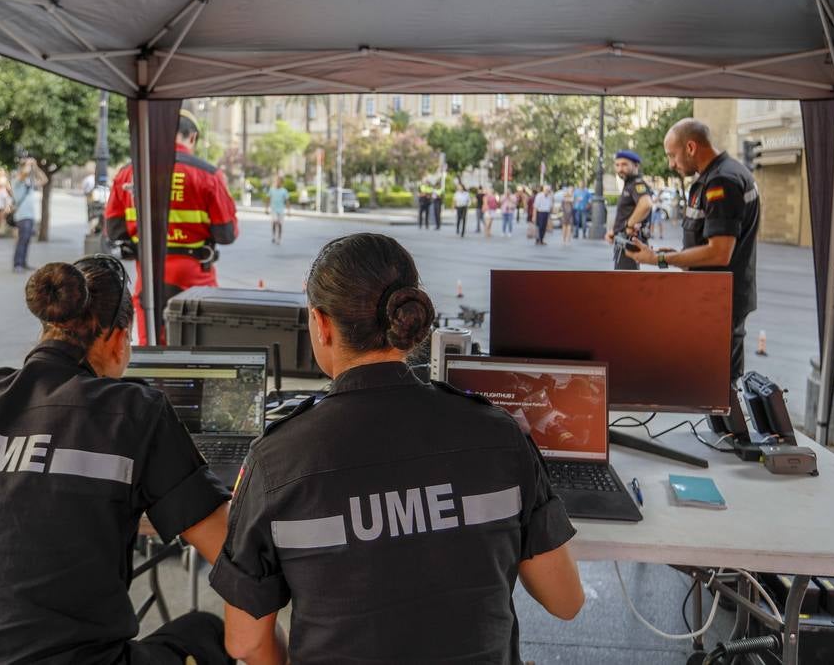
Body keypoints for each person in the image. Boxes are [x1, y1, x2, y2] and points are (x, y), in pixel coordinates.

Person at [211, 233, 583, 664]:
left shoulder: (275, 462)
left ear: (322, 324)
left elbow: (245, 642)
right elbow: (566, 602)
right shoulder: (501, 436)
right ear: (405, 318)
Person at [0, 256, 233, 664]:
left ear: (46, 327)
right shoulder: (132, 410)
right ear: (118, 338)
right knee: (206, 634)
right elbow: (233, 557)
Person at [627, 119, 759, 383]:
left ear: (690, 147)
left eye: (672, 155)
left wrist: (659, 258)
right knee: (711, 383)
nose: (671, 164)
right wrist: (679, 255)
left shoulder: (722, 181)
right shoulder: (716, 176)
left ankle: (726, 413)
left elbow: (720, 253)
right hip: (715, 299)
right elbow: (707, 246)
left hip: (720, 302)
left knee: (719, 385)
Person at [105, 109, 239, 343]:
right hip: (195, 276)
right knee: (197, 346)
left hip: (149, 274)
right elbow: (226, 234)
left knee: (152, 346)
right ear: (192, 137)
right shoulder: (208, 174)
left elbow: (114, 229)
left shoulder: (128, 172)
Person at [605, 150, 653, 270]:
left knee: (625, 279)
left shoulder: (637, 184)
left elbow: (646, 204)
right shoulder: (629, 184)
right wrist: (614, 231)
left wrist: (628, 225)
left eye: (624, 164)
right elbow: (627, 213)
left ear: (636, 165)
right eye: (617, 165)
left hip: (628, 242)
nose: (620, 169)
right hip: (623, 240)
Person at [11, 157, 45, 273]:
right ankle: (18, 264)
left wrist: (36, 167)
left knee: (26, 241)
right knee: (22, 240)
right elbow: (24, 173)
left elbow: (44, 180)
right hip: (22, 216)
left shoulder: (29, 183)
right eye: (27, 166)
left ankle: (23, 262)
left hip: (30, 216)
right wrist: (28, 164)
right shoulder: (17, 181)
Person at [266, 175, 290, 245]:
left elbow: (287, 201)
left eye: (279, 181)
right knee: (274, 222)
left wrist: (288, 211)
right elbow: (268, 199)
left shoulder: (284, 191)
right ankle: (273, 236)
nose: (277, 182)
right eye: (277, 181)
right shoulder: (271, 190)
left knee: (280, 224)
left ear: (281, 182)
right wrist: (266, 208)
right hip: (274, 210)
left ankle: (279, 238)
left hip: (281, 210)